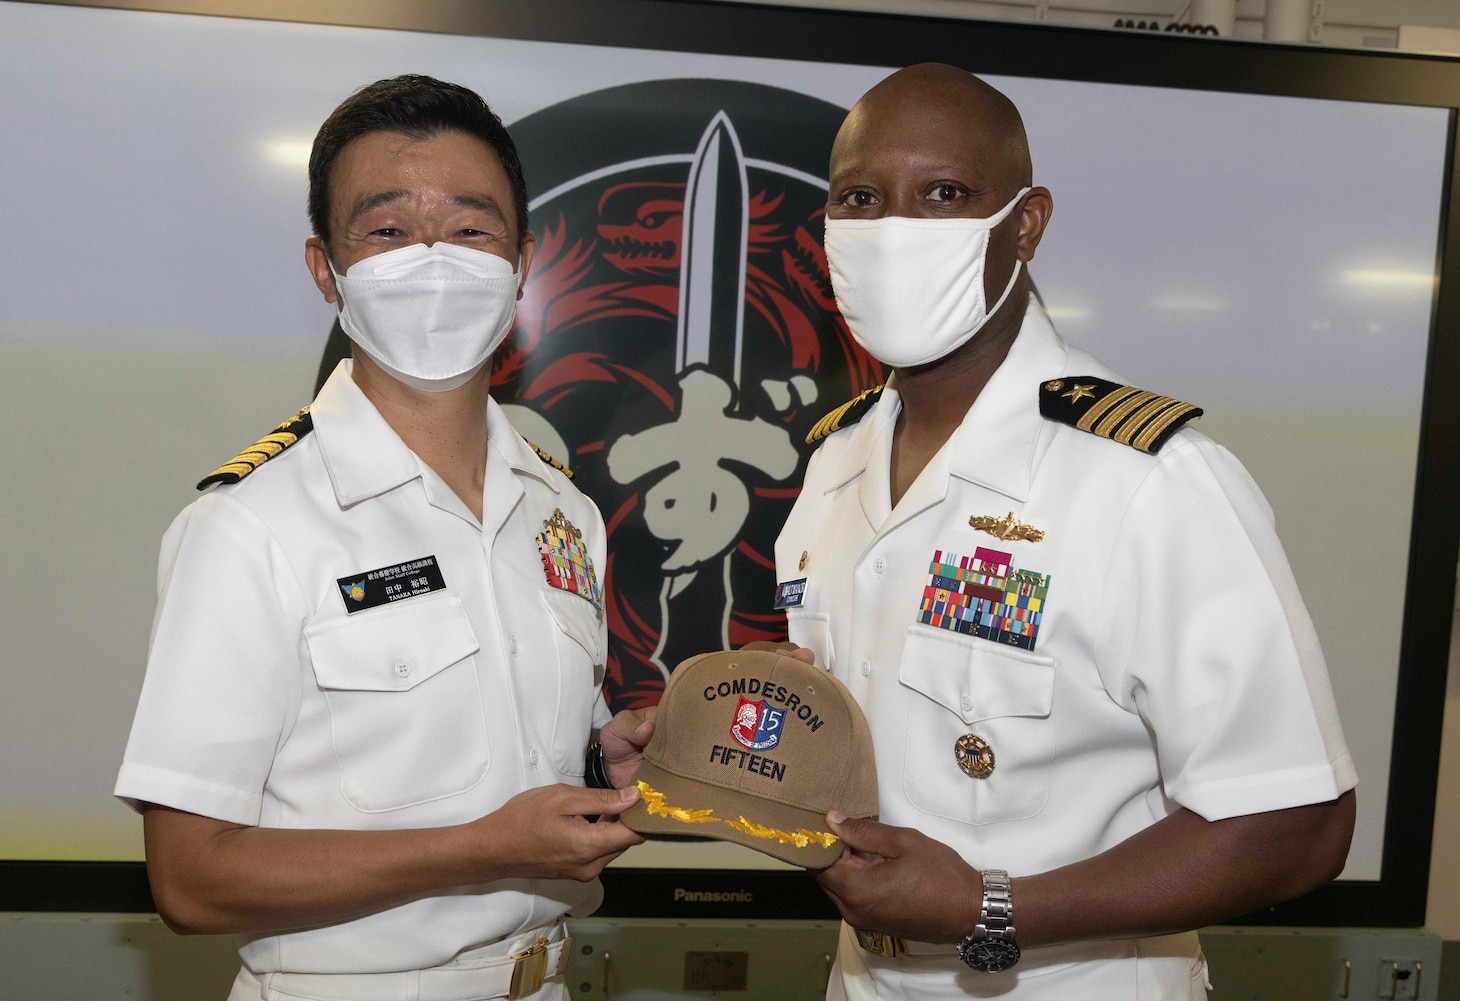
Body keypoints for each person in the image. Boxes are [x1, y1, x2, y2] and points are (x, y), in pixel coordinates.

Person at [774, 63, 1357, 999]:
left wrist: (990, 907)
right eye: (862, 199)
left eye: (945, 195)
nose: (895, 231)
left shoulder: (1147, 480)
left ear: (1027, 223)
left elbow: (1300, 822)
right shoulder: (834, 465)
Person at [114, 75, 655, 1001]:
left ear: (522, 260)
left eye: (472, 228)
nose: (435, 257)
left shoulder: (564, 513)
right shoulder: (250, 525)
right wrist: (485, 847)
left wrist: (604, 765)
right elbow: (191, 878)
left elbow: (505, 755)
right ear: (327, 268)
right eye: (390, 230)